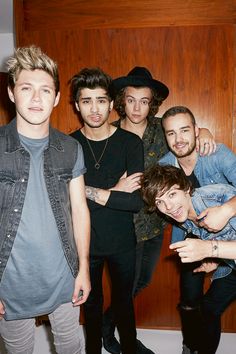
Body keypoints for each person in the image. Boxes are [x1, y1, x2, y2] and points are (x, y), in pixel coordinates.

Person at [102, 67, 216, 354]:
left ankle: (108, 323)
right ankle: (111, 333)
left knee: (142, 281)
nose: (137, 107)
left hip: (153, 223)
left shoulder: (160, 128)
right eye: (131, 100)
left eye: (144, 100)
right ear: (122, 101)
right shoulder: (110, 133)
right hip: (122, 224)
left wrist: (203, 131)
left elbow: (183, 136)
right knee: (126, 286)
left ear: (151, 102)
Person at [0, 46, 91, 354]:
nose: (36, 99)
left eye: (45, 90)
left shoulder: (71, 148)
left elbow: (80, 211)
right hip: (10, 280)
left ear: (55, 98)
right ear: (12, 93)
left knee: (72, 346)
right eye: (27, 88)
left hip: (63, 274)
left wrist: (84, 268)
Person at [70, 67, 144, 354]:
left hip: (122, 243)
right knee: (91, 309)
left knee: (125, 307)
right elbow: (64, 202)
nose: (95, 108)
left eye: (101, 100)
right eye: (86, 101)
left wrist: (85, 191)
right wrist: (112, 191)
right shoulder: (68, 145)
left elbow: (135, 202)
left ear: (112, 104)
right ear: (77, 106)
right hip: (84, 244)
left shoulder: (129, 143)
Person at [159, 105, 236, 354]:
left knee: (211, 304)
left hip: (229, 226)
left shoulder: (216, 154)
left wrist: (226, 210)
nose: (178, 139)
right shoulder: (165, 165)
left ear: (195, 130)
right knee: (191, 301)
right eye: (171, 133)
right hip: (195, 236)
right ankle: (191, 343)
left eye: (184, 130)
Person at [141, 164, 236, 354]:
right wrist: (215, 257)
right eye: (159, 201)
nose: (168, 207)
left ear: (186, 189)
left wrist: (226, 211)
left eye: (171, 194)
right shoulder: (182, 217)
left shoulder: (214, 198)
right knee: (210, 307)